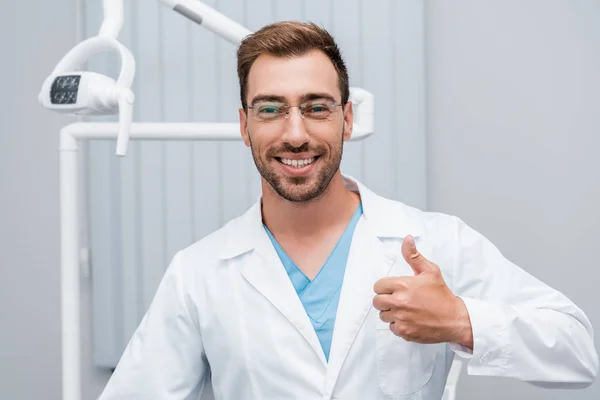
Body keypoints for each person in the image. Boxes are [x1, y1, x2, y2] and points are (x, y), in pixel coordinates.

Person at [98, 21, 598, 400]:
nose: (295, 133)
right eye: (271, 109)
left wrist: (461, 320)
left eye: (316, 107)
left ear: (347, 119)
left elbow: (578, 351)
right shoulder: (199, 274)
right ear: (245, 126)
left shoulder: (432, 242)